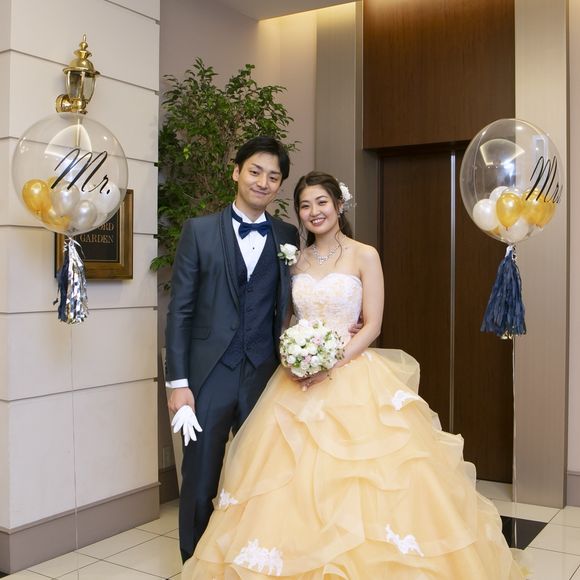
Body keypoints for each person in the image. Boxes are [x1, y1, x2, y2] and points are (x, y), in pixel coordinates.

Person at [181, 171, 526, 579]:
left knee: (363, 481)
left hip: (351, 374)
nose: (314, 212)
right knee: (285, 482)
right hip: (296, 380)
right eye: (305, 205)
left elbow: (373, 324)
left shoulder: (365, 255)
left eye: (321, 203)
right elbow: (285, 318)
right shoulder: (294, 258)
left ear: (339, 205)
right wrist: (292, 354)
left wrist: (330, 362)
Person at [165, 136, 300, 562]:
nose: (263, 182)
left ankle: (243, 563)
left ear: (279, 186)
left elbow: (293, 300)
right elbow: (180, 311)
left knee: (259, 478)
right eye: (255, 171)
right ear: (236, 171)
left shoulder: (287, 235)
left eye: (273, 177)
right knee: (200, 477)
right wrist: (178, 384)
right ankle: (194, 564)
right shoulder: (199, 231)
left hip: (265, 375)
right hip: (209, 375)